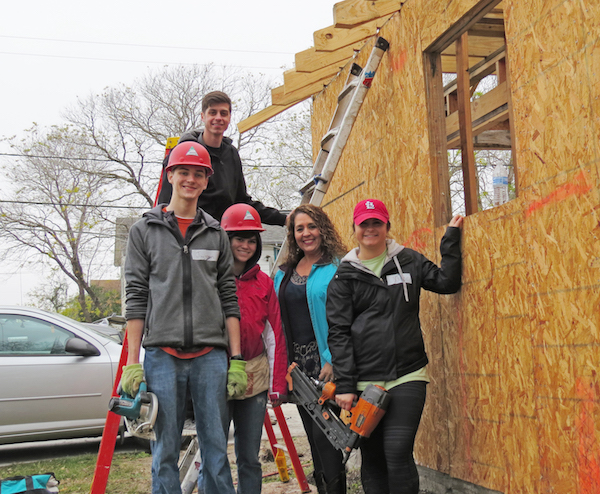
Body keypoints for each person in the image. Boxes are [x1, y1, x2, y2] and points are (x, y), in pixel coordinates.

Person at [121, 141, 247, 494]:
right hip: (162, 356)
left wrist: (235, 359)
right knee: (164, 449)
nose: (191, 179)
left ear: (207, 180)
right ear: (170, 175)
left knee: (216, 450)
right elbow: (136, 298)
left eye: (199, 173)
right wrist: (134, 361)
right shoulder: (143, 231)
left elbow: (228, 298)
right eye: (184, 172)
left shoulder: (216, 232)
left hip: (210, 357)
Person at [326, 199, 463, 494]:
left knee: (398, 450)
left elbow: (446, 282)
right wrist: (346, 384)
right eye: (365, 224)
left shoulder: (409, 261)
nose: (371, 229)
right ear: (355, 229)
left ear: (387, 227)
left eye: (377, 223)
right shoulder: (344, 277)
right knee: (372, 457)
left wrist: (450, 239)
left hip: (407, 374)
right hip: (364, 381)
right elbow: (338, 333)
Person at [274, 204, 347, 494]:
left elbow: (346, 319)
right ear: (293, 235)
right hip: (297, 370)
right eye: (299, 228)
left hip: (326, 366)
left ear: (323, 229)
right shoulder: (284, 273)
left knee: (327, 437)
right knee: (313, 439)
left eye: (312, 226)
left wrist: (333, 360)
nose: (306, 233)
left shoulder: (338, 267)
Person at [219, 203, 288, 494]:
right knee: (214, 453)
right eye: (239, 238)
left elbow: (275, 336)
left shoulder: (264, 283)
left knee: (249, 456)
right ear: (225, 240)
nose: (245, 245)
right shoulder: (209, 278)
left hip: (254, 377)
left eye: (251, 240)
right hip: (216, 375)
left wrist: (276, 384)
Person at [156, 90, 286, 226]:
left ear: (229, 117)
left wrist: (283, 219)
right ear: (202, 116)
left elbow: (241, 201)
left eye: (223, 113)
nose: (218, 117)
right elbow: (165, 201)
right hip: (189, 231)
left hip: (222, 234)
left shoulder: (231, 154)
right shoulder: (182, 152)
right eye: (213, 112)